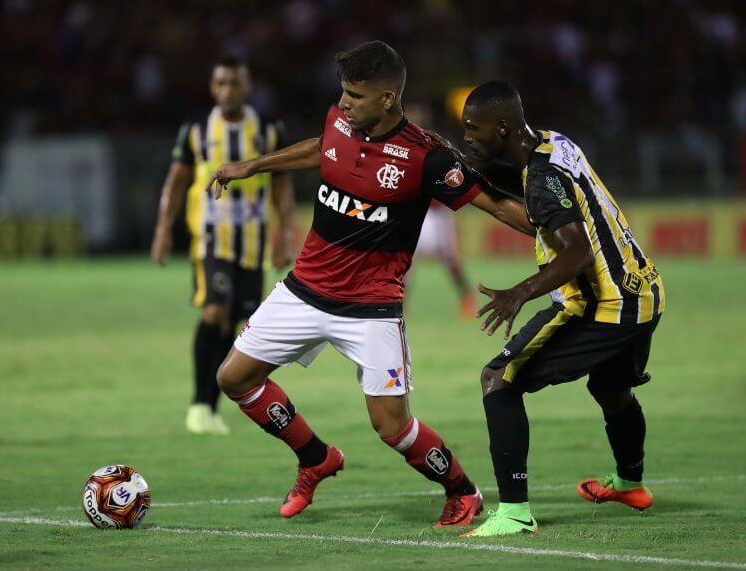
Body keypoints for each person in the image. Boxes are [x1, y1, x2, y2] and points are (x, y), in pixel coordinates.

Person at [208, 42, 534, 525]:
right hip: (303, 289)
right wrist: (253, 165)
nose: (343, 104)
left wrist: (555, 224)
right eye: (342, 93)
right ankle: (316, 457)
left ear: (387, 99)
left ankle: (462, 491)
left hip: (371, 309)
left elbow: (493, 202)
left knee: (392, 427)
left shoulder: (427, 158)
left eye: (354, 96)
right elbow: (323, 149)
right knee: (233, 378)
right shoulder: (339, 121)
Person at [454, 81, 665, 538]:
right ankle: (630, 483)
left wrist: (519, 292)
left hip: (601, 304)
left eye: (473, 128)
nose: (467, 135)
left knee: (499, 379)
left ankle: (513, 511)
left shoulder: (545, 179)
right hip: (643, 293)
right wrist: (478, 173)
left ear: (503, 126)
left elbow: (577, 253)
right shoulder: (551, 143)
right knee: (611, 388)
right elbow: (532, 188)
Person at [151, 57, 295, 435]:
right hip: (211, 239)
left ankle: (210, 409)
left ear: (247, 87)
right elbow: (176, 181)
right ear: (213, 88)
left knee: (235, 321)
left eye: (235, 83)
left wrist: (286, 233)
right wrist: (163, 229)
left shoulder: (266, 129)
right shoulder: (197, 129)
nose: (227, 90)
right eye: (221, 83)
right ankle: (198, 403)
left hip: (254, 242)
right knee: (214, 312)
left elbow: (281, 183)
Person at [404, 102, 479, 319]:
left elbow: (454, 177)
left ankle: (467, 298)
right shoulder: (400, 146)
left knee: (451, 260)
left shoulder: (437, 145)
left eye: (414, 118)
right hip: (413, 212)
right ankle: (399, 305)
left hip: (436, 213)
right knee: (406, 262)